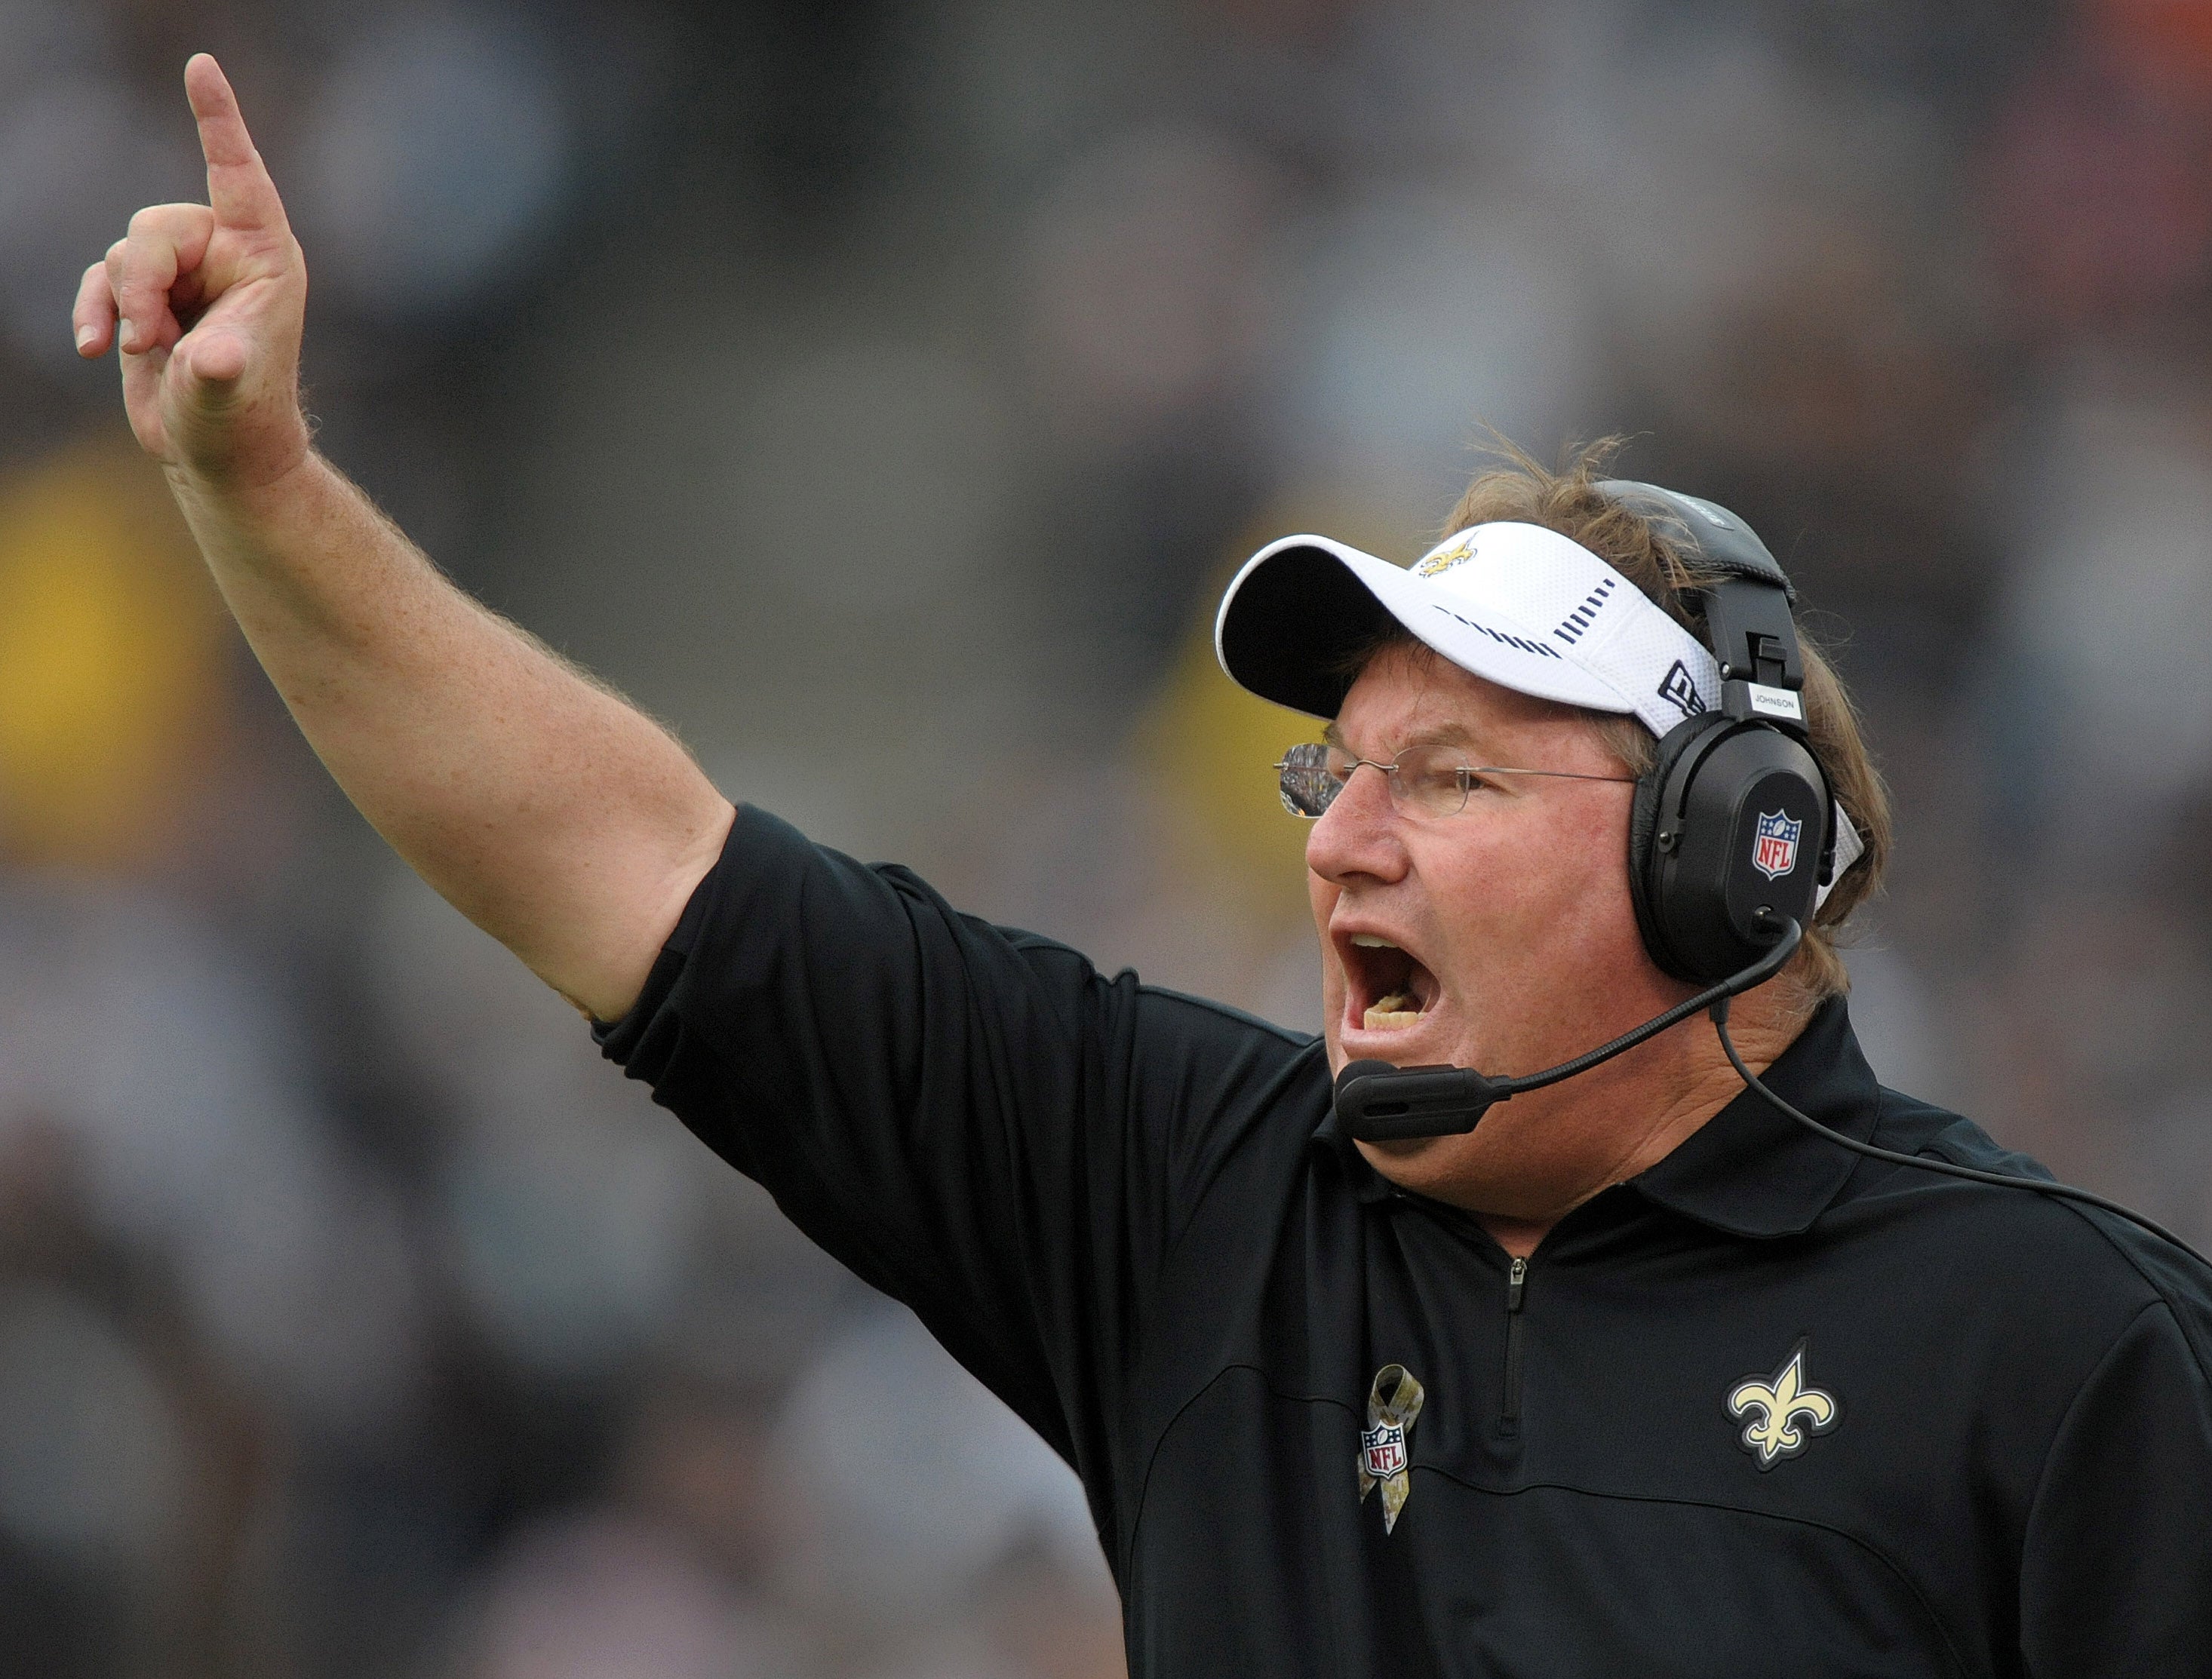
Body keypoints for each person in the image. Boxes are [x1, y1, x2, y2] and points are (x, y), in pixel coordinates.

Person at [78, 55, 2212, 1677]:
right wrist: (261, 490)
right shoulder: (1205, 1194)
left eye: (1451, 779)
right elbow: (625, 865)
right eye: (1332, 780)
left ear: (1728, 860)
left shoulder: (2058, 1346)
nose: (1344, 840)